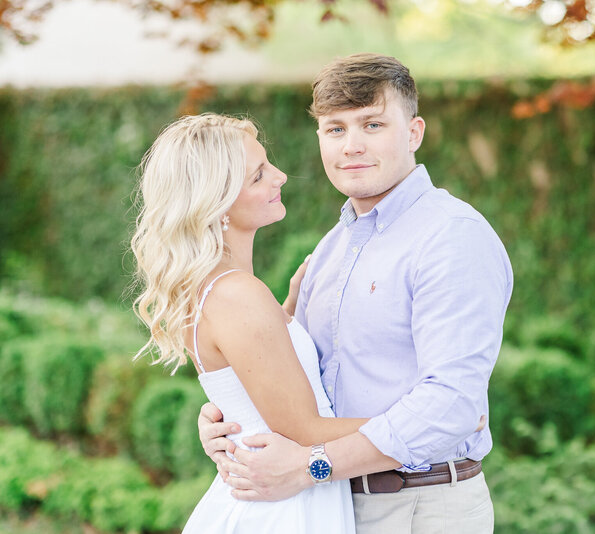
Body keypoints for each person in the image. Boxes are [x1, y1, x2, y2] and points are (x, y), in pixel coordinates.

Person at [198, 54, 513, 533]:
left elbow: (451, 406)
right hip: (331, 507)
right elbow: (289, 377)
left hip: (419, 506)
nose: (353, 146)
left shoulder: (451, 237)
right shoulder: (331, 249)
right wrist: (227, 419)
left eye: (372, 124)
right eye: (335, 129)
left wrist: (310, 466)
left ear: (414, 133)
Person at [130, 113, 389, 533]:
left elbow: (253, 378)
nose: (281, 176)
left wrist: (287, 310)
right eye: (258, 176)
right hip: (283, 510)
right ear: (217, 203)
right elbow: (305, 429)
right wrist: (426, 424)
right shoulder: (237, 294)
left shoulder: (218, 289)